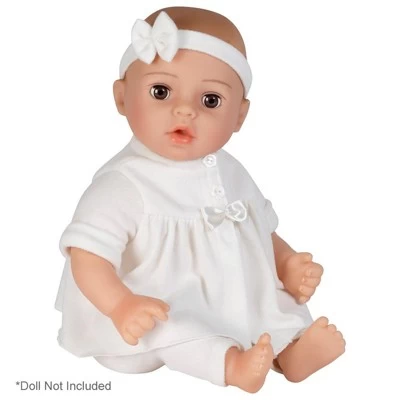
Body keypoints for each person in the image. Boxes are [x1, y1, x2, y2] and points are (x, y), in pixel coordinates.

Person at [55, 6, 345, 393]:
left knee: (275, 302)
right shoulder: (123, 183)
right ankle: (232, 366)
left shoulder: (231, 171)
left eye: (210, 100)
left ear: (239, 117)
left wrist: (286, 262)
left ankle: (291, 351)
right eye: (161, 91)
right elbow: (87, 257)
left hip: (230, 297)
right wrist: (120, 304)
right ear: (122, 98)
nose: (185, 109)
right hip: (143, 312)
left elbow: (257, 229)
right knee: (178, 327)